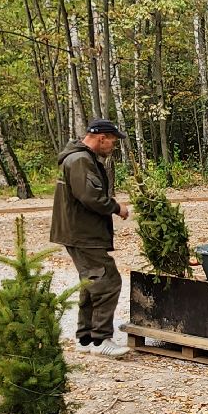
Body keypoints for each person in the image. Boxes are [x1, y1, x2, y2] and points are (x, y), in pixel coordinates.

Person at [50, 119, 130, 356]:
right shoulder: (80, 160)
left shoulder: (80, 158)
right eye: (112, 142)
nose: (112, 147)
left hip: (81, 233)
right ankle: (100, 340)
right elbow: (91, 197)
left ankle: (85, 338)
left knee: (92, 282)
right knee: (108, 281)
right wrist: (116, 207)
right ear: (101, 138)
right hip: (82, 234)